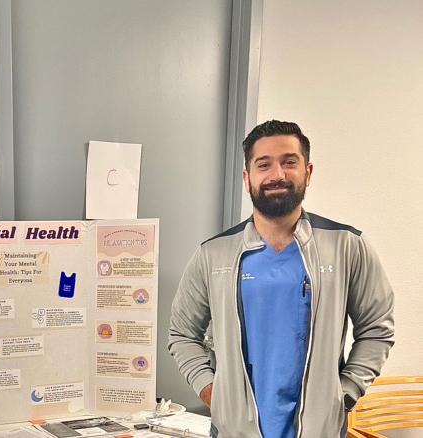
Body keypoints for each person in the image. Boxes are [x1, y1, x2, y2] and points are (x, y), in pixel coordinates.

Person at [167, 120, 394, 437]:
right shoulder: (213, 255)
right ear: (247, 178)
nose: (277, 175)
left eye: (290, 162)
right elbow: (181, 334)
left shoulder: (346, 246)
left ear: (308, 172)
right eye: (264, 165)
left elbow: (377, 329)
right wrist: (211, 392)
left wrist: (345, 393)